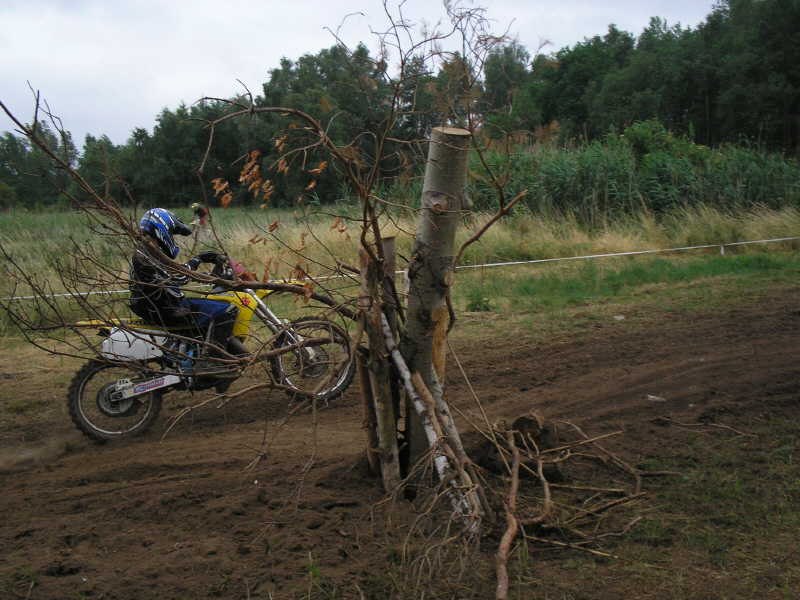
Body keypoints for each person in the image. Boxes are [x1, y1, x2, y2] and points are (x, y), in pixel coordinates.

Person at [128, 208, 241, 382]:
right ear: (161, 229)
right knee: (227, 309)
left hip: (157, 305)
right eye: (171, 234)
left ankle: (209, 361)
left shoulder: (146, 251)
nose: (172, 239)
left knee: (208, 309)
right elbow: (178, 277)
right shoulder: (146, 255)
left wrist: (200, 262)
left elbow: (172, 273)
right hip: (166, 308)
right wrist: (198, 261)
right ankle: (209, 362)